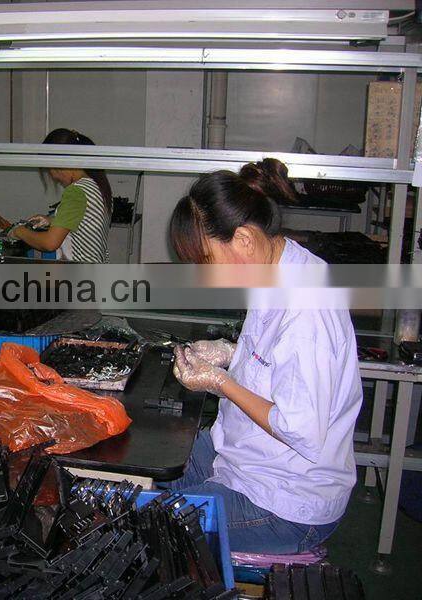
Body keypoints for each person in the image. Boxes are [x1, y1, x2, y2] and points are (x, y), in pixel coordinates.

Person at [166, 159, 361, 554]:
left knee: (158, 524)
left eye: (207, 261)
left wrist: (221, 382)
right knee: (153, 471)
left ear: (243, 239)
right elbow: (277, 361)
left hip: (287, 500)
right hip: (245, 455)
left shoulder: (306, 310)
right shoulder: (276, 265)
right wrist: (230, 353)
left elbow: (300, 430)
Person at [10, 128, 111, 263]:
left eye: (49, 168)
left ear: (59, 162)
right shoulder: (96, 185)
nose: (52, 175)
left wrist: (19, 231)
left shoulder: (76, 192)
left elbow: (49, 243)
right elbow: (86, 223)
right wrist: (53, 221)